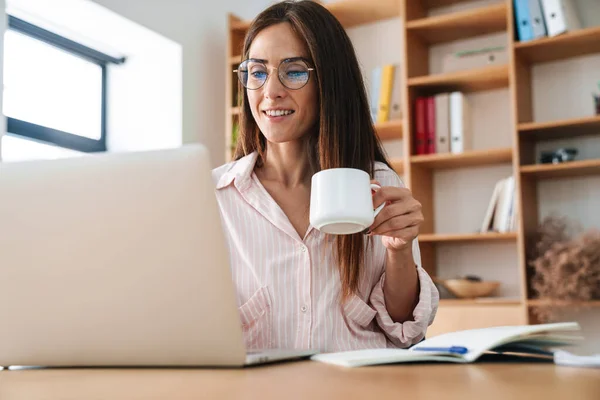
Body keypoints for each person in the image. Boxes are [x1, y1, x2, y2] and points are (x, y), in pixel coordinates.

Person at [213, 0, 439, 352]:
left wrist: (400, 250)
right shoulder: (215, 197)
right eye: (257, 72)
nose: (270, 91)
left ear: (329, 82)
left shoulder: (378, 186)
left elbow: (404, 330)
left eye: (294, 71)